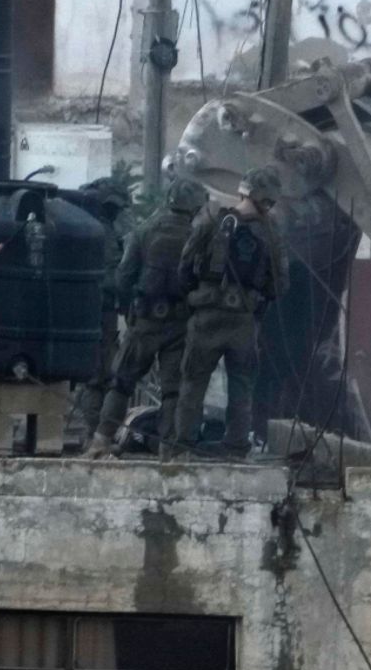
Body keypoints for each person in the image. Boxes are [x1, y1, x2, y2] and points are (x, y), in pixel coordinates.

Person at [86, 178, 210, 459]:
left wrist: (131, 309)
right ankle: (168, 450)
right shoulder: (198, 236)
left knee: (121, 382)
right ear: (194, 207)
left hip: (144, 321)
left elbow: (123, 278)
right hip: (179, 324)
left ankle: (101, 441)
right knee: (172, 391)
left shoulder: (144, 231)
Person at [171, 166, 288, 456]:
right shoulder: (271, 232)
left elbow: (184, 268)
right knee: (241, 385)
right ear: (268, 200)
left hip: (207, 315)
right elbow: (279, 286)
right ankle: (235, 446)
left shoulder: (211, 220)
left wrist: (197, 296)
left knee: (193, 383)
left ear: (243, 190)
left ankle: (182, 446)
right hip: (244, 321)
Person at [74, 177, 132, 437]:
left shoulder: (88, 225)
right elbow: (110, 276)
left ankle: (95, 434)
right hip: (98, 309)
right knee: (98, 376)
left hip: (93, 309)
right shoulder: (100, 231)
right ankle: (93, 434)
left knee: (99, 374)